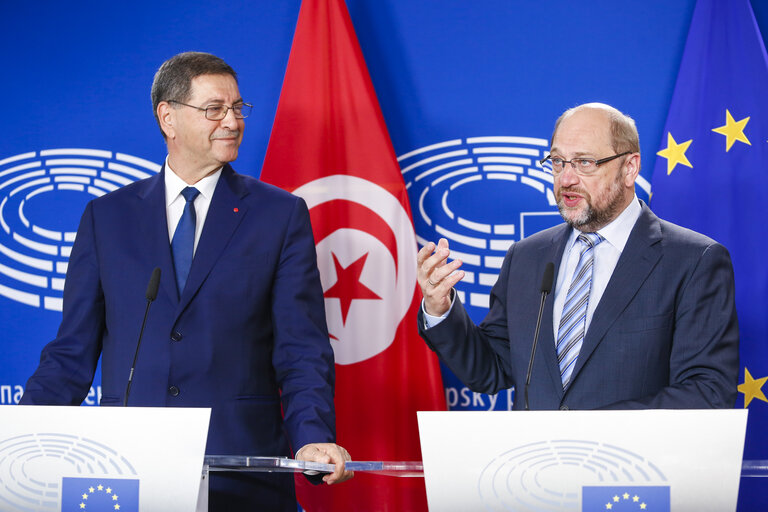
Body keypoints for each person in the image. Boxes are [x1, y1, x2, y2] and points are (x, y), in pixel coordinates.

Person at [21, 51, 352, 509]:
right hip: (130, 469)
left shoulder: (278, 215)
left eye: (238, 108)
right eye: (214, 108)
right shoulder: (107, 218)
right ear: (168, 117)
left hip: (241, 467)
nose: (232, 121)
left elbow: (302, 347)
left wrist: (313, 436)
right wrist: (19, 436)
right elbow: (72, 351)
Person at [417, 102, 738, 410]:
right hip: (536, 463)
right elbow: (491, 370)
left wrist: (584, 432)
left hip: (631, 464)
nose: (566, 179)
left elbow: (706, 393)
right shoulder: (527, 257)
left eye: (584, 162)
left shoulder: (693, 261)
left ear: (629, 168)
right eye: (558, 162)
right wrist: (440, 309)